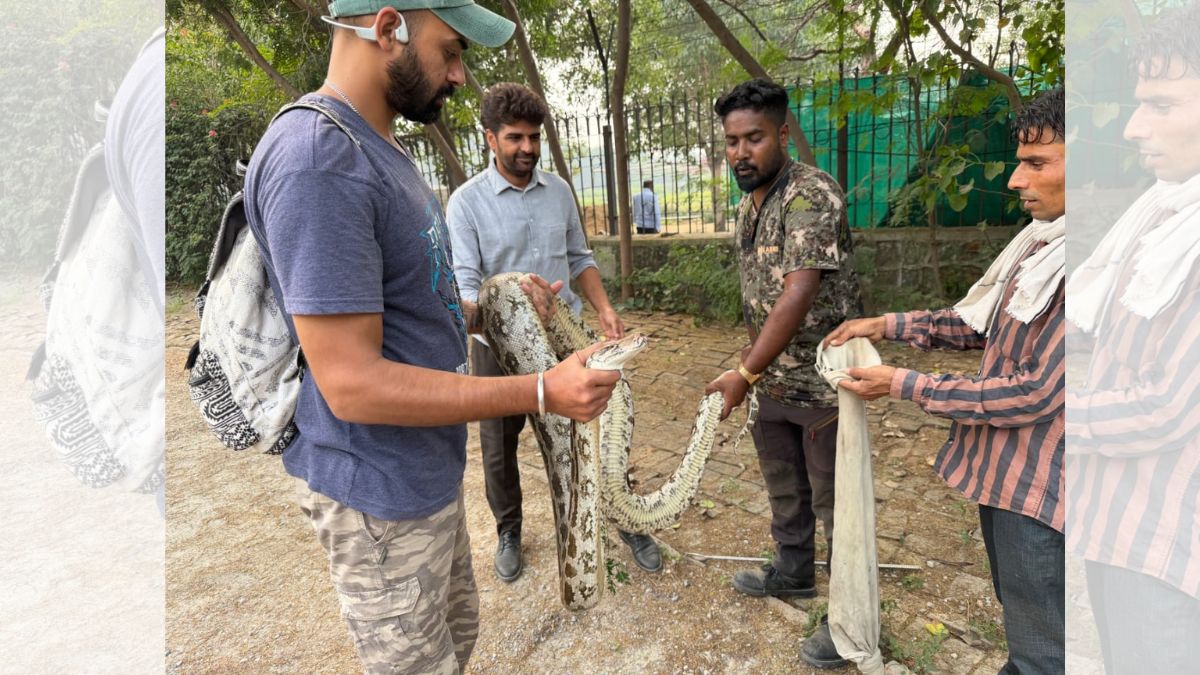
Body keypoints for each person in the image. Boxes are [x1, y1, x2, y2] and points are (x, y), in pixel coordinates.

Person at [242, 3, 620, 672]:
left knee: (455, 642)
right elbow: (352, 383)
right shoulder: (321, 162)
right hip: (376, 494)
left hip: (421, 478)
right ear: (388, 30)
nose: (459, 74)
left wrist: (495, 309)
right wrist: (540, 388)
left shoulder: (380, 147)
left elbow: (413, 309)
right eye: (450, 50)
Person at [826, 87, 1067, 673]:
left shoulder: (1091, 262)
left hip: (1041, 491)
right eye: (1019, 161)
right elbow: (977, 323)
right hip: (1007, 479)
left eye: (1037, 164)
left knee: (1043, 651)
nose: (1015, 180)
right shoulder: (1039, 246)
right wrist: (886, 323)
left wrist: (902, 384)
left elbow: (1034, 391)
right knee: (1026, 624)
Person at [447, 82, 662, 580]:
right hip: (495, 347)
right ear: (490, 138)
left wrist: (604, 310)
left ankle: (622, 517)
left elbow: (581, 258)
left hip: (567, 339)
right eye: (515, 137)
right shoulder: (466, 204)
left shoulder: (559, 191)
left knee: (598, 427)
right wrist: (516, 301)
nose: (527, 148)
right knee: (499, 447)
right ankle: (509, 530)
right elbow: (466, 288)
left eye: (534, 137)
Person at [704, 79, 863, 670]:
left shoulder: (809, 196)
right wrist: (756, 375)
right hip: (774, 384)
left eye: (754, 138)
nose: (741, 152)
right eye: (731, 141)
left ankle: (850, 625)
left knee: (836, 510)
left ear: (782, 133)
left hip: (823, 384)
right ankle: (793, 574)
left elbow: (797, 293)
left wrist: (743, 371)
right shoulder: (753, 202)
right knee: (785, 492)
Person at [1065, 7, 1200, 671]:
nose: (1133, 126)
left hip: (1164, 552)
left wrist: (1045, 413)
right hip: (1118, 528)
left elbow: (1166, 407)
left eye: (1161, 104)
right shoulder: (1164, 210)